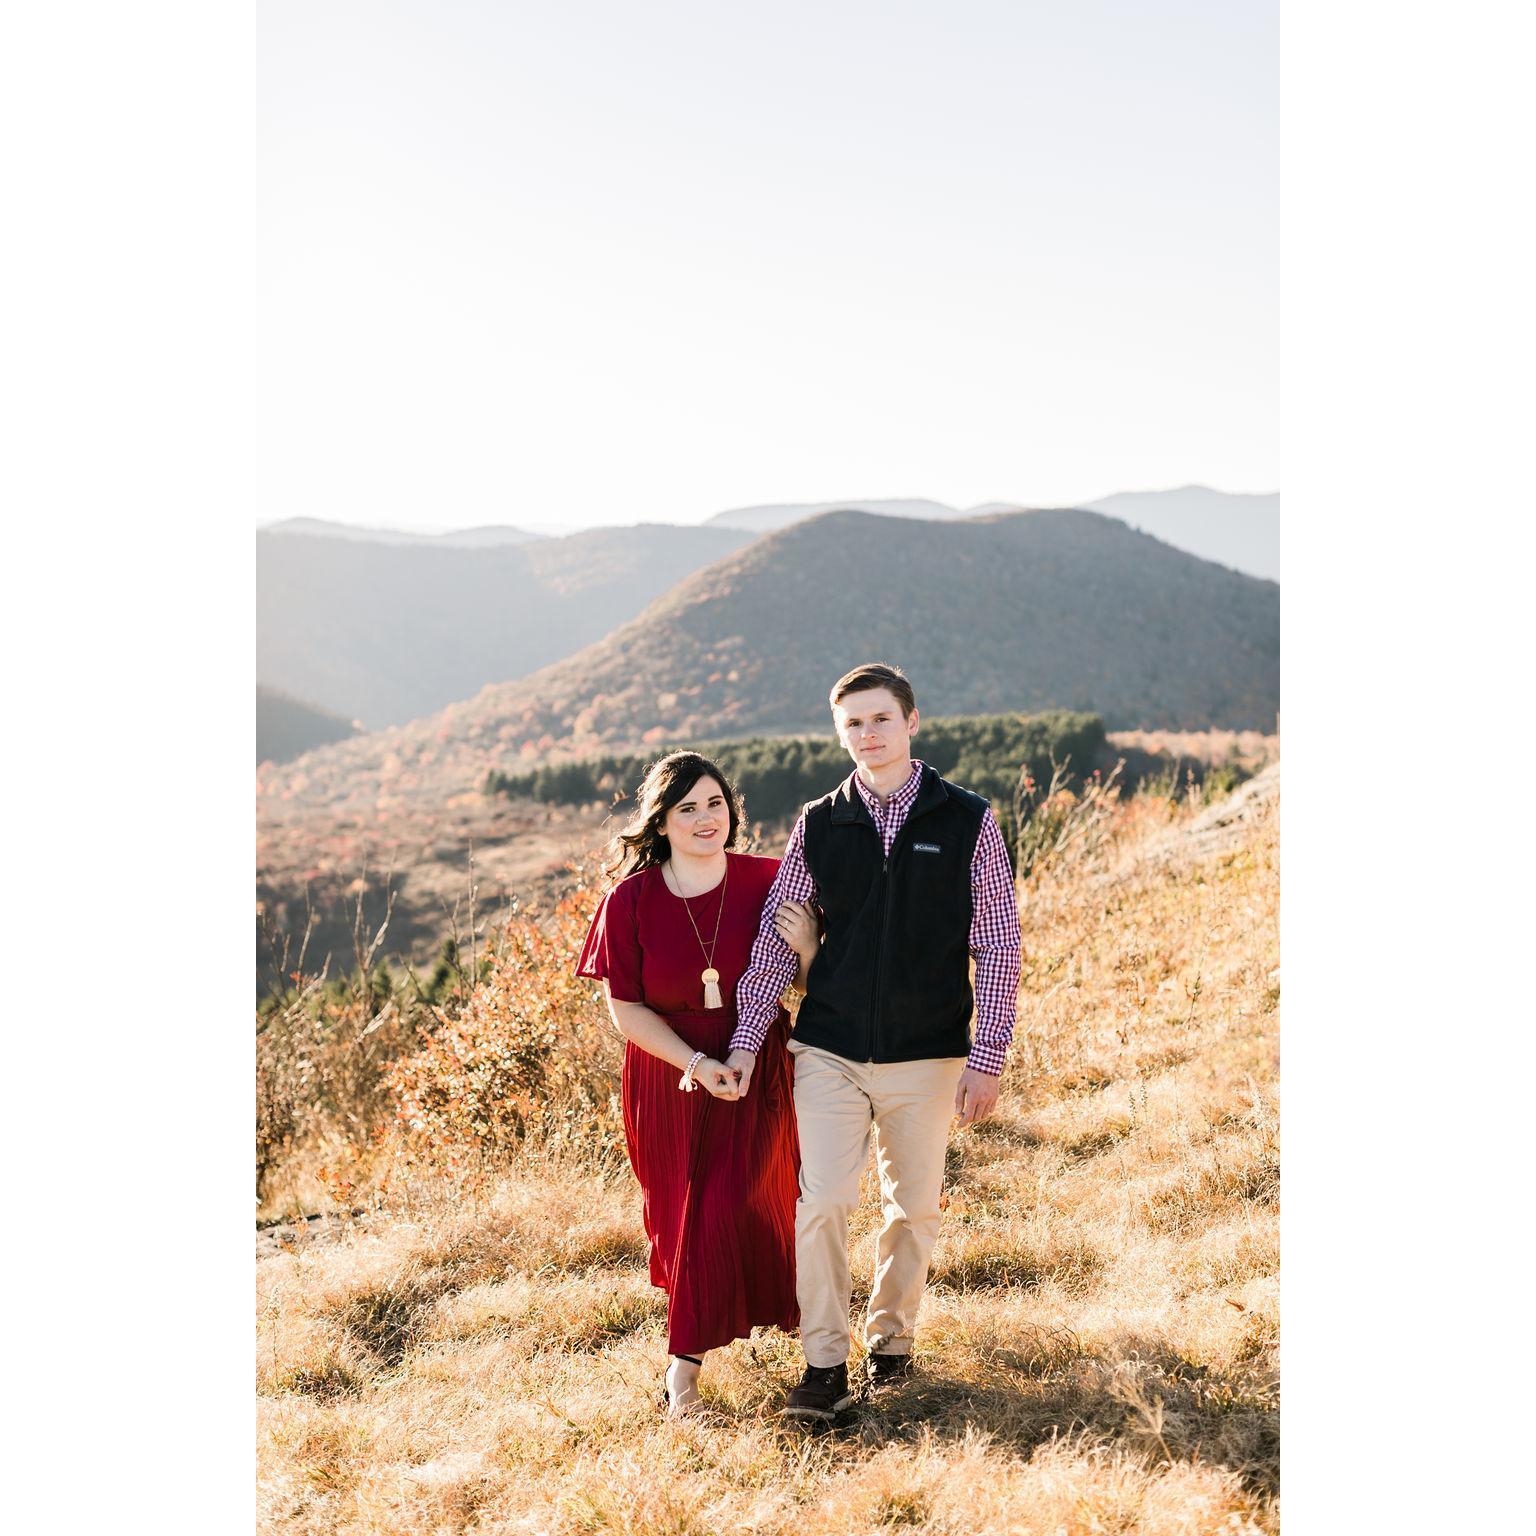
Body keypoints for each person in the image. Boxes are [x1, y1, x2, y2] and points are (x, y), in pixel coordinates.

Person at [726, 663, 1024, 1421]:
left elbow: (998, 944)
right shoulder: (819, 823)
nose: (868, 735)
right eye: (853, 723)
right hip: (828, 1048)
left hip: (927, 1054)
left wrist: (985, 1059)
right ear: (840, 733)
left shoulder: (966, 820)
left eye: (881, 719)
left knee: (913, 1209)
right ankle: (823, 1364)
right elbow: (772, 944)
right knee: (821, 1199)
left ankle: (891, 1344)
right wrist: (743, 1041)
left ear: (911, 722)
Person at [575, 751, 818, 1417]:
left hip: (755, 1065)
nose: (706, 818)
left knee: (740, 1199)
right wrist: (693, 1064)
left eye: (715, 803)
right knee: (683, 1216)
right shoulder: (629, 902)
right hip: (670, 1077)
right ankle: (713, 1348)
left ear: (731, 811)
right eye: (688, 808)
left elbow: (802, 981)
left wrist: (808, 951)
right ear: (663, 821)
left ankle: (683, 1380)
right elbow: (625, 1009)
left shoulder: (770, 881)